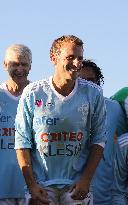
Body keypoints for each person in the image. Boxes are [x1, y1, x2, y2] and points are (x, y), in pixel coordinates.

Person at [15, 35, 106, 205]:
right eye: (70, 57)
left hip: (75, 185)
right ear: (53, 58)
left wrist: (86, 180)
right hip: (41, 186)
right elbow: (22, 142)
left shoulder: (93, 93)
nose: (77, 63)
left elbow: (99, 139)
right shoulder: (32, 93)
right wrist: (32, 185)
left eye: (80, 58)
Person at [80, 59, 127, 205]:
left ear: (99, 82)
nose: (87, 84)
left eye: (91, 80)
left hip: (106, 196)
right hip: (75, 194)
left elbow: (122, 143)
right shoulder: (63, 110)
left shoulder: (115, 109)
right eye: (81, 80)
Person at [0, 44, 32, 205]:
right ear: (5, 65)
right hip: (2, 187)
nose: (20, 69)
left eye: (24, 64)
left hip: (31, 187)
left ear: (30, 66)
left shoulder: (38, 96)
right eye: (15, 64)